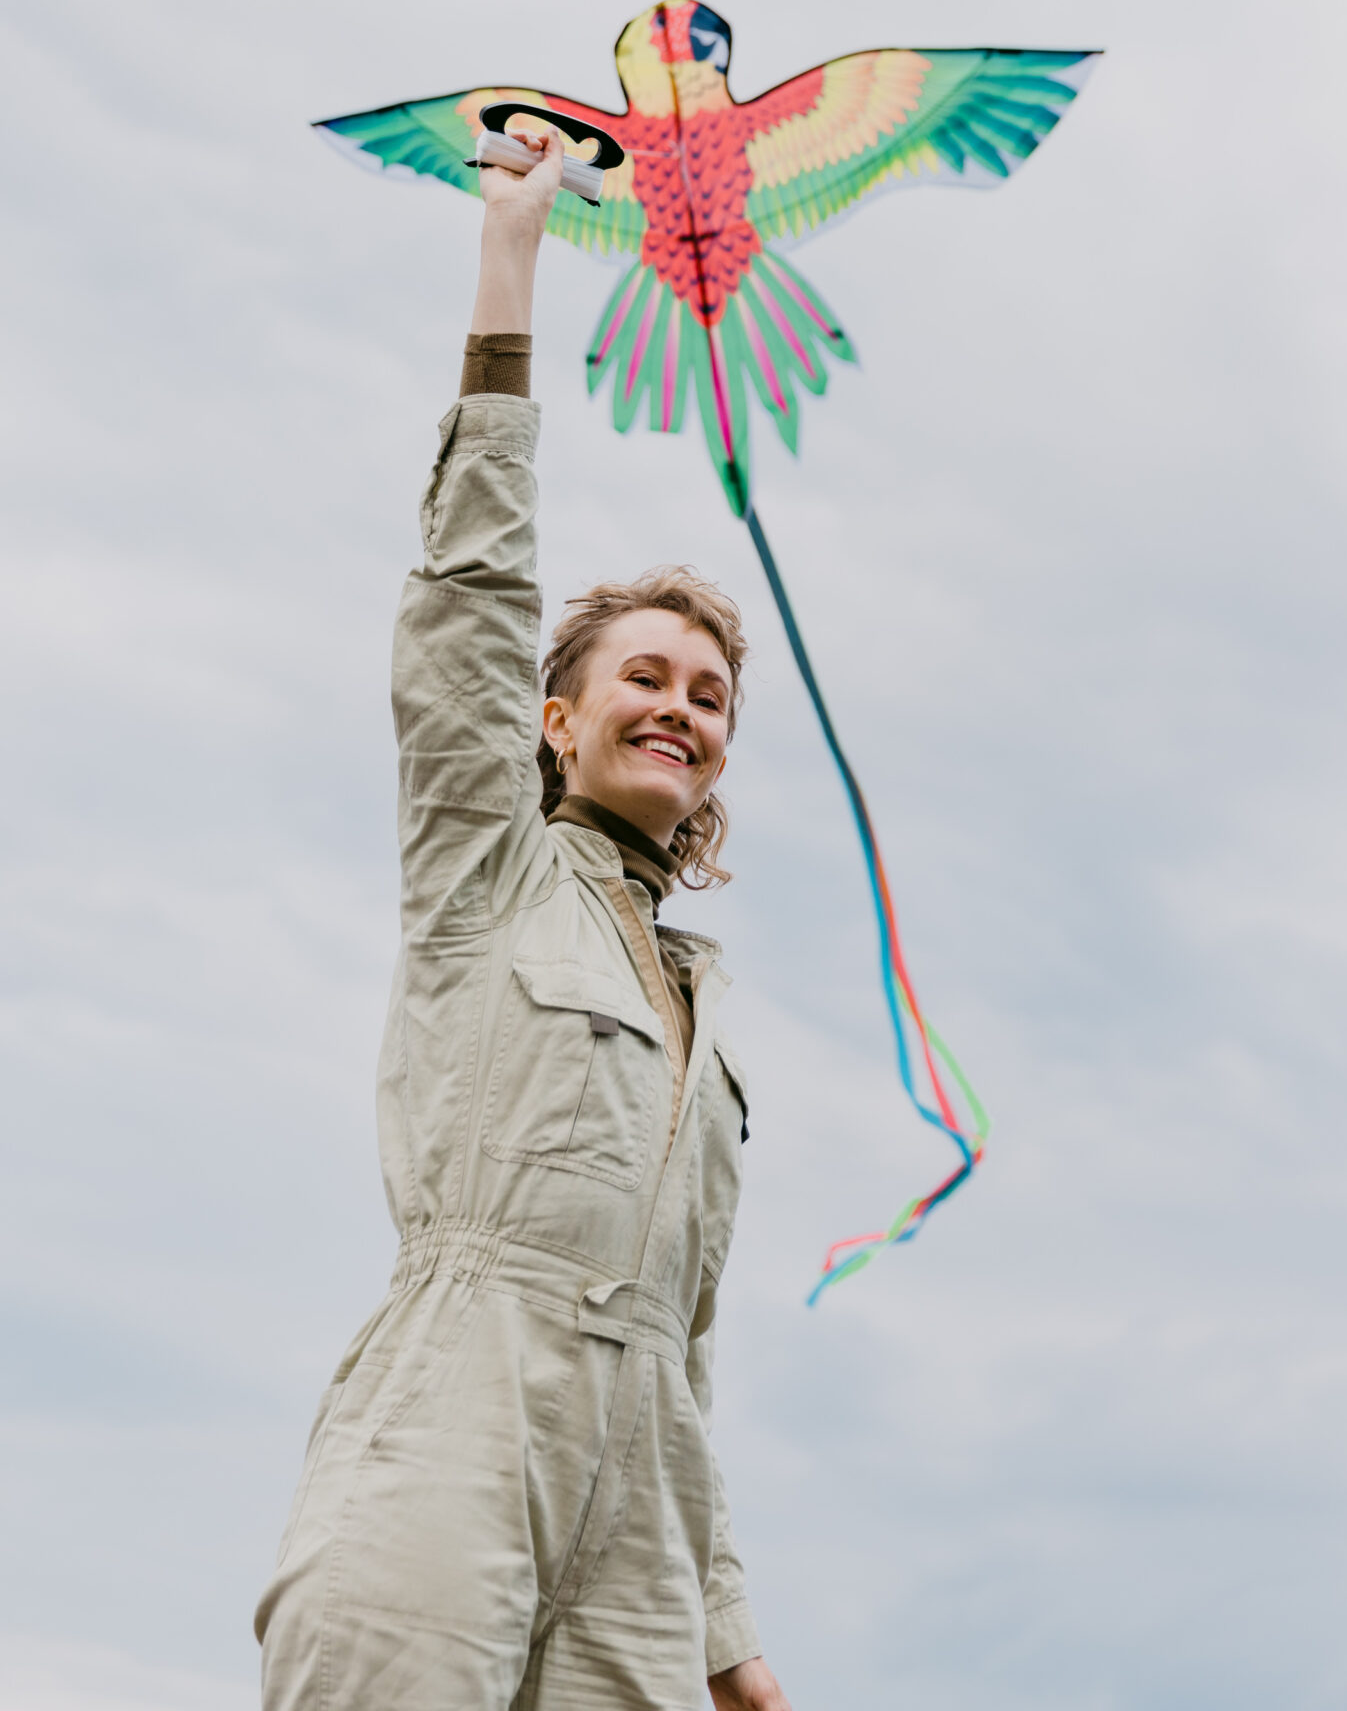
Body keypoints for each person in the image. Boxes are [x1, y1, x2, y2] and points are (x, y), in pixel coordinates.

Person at [256, 126, 793, 1711]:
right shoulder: (481, 861)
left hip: (639, 1536)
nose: (680, 707)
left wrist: (727, 1629)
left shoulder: (701, 1008)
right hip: (451, 1442)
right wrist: (510, 265)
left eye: (708, 696)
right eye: (643, 675)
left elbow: (682, 1363)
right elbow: (471, 598)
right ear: (555, 724)